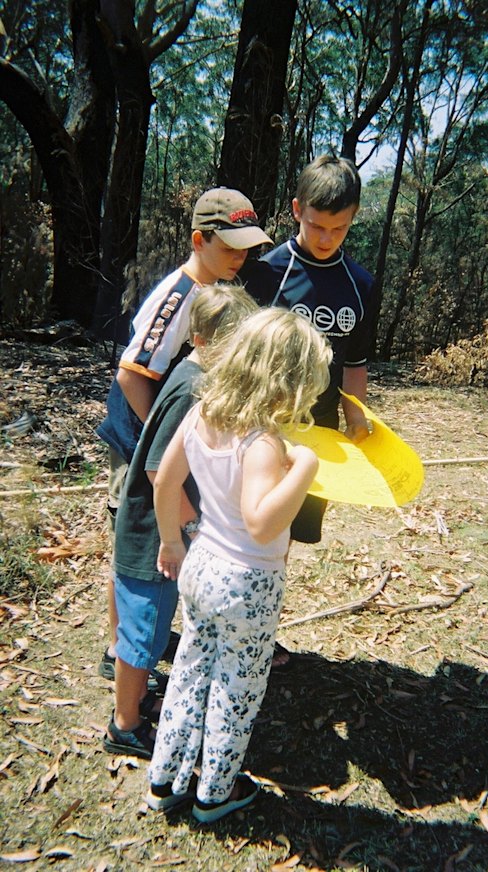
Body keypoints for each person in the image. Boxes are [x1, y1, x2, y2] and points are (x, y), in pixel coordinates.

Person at [144, 308, 332, 820]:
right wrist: (306, 469)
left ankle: (166, 778)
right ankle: (216, 792)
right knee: (236, 687)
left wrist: (171, 543)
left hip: (201, 562)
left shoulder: (203, 410)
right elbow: (262, 523)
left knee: (189, 669)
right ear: (288, 382)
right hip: (248, 583)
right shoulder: (263, 442)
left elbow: (163, 482)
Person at [96, 188, 272, 688]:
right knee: (130, 543)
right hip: (137, 435)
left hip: (163, 439)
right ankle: (119, 648)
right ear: (199, 240)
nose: (240, 256)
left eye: (246, 247)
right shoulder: (180, 295)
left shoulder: (217, 291)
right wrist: (172, 442)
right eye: (230, 246)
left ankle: (138, 636)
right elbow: (132, 375)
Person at [103, 283, 258, 761]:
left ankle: (136, 699)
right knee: (143, 634)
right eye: (239, 348)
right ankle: (125, 724)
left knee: (148, 628)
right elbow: (156, 470)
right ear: (210, 341)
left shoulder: (194, 375)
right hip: (154, 534)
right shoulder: (191, 387)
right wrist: (191, 527)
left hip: (161, 529)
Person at [240, 154, 375, 545]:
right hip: (263, 427)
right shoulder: (266, 273)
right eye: (317, 226)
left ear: (353, 217)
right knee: (254, 527)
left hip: (320, 435)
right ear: (297, 210)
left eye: (339, 228)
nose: (326, 238)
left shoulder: (361, 285)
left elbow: (356, 362)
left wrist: (356, 419)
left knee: (288, 537)